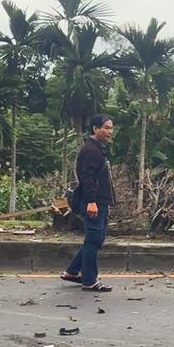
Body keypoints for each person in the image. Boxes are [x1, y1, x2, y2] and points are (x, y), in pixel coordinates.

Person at [61, 114, 116, 292]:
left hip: (99, 202)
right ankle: (89, 281)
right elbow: (88, 178)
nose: (110, 131)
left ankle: (72, 272)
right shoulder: (91, 150)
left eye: (111, 128)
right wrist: (92, 202)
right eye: (106, 127)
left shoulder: (97, 149)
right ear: (95, 129)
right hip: (93, 202)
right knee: (93, 240)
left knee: (94, 239)